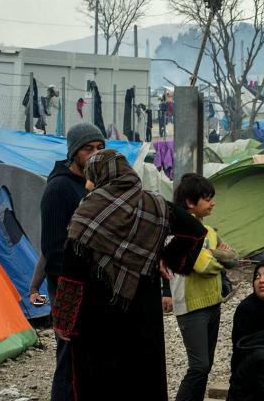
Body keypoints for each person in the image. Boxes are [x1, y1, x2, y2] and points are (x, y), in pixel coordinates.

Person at [51, 150, 208, 400]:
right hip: (142, 315)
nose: (88, 183)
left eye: (91, 177)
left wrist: (63, 320)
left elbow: (72, 274)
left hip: (97, 319)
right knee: (141, 380)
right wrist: (163, 255)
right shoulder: (155, 204)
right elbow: (196, 231)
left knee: (98, 383)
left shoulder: (88, 212)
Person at [33, 122, 104, 401]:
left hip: (91, 285)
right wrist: (70, 287)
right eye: (89, 149)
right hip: (69, 288)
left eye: (100, 148)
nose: (95, 154)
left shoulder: (93, 186)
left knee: (89, 359)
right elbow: (52, 249)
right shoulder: (59, 189)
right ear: (74, 152)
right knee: (69, 362)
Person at [166, 174, 239, 401]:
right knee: (199, 366)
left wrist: (216, 255)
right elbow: (203, 264)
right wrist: (219, 257)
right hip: (191, 305)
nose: (213, 203)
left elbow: (232, 258)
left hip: (212, 302)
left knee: (205, 367)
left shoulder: (209, 231)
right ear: (190, 202)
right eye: (207, 199)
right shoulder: (180, 230)